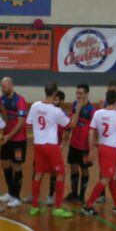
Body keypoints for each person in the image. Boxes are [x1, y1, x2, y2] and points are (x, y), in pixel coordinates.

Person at [25, 83, 73, 218]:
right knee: (60, 174)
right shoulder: (56, 111)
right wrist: (78, 109)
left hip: (38, 144)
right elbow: (70, 124)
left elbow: (28, 124)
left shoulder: (35, 105)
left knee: (39, 174)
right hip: (51, 145)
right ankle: (57, 207)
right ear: (55, 93)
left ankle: (34, 206)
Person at [81, 89, 116, 215]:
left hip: (102, 147)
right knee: (106, 178)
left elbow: (91, 131)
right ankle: (88, 205)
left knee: (111, 177)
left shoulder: (97, 113)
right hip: (111, 149)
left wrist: (91, 149)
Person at [0, 77, 27, 208]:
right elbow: (3, 117)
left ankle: (16, 197)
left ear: (11, 86)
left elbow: (20, 123)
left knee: (16, 166)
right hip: (6, 138)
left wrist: (8, 136)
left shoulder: (20, 100)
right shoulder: (1, 99)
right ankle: (10, 192)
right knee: (4, 164)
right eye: (1, 87)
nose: (1, 89)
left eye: (3, 87)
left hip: (18, 140)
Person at [66, 83, 95, 203]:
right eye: (77, 93)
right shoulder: (74, 105)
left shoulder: (91, 110)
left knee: (84, 169)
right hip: (74, 144)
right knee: (73, 168)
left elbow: (93, 131)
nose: (78, 96)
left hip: (85, 146)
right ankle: (74, 194)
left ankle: (82, 196)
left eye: (81, 93)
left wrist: (91, 149)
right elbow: (71, 122)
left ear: (87, 94)